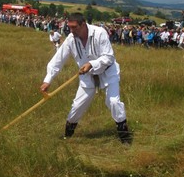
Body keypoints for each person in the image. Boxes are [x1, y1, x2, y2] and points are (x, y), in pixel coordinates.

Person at [40, 13, 131, 144]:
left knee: (113, 102)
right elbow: (57, 60)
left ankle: (125, 137)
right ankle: (67, 136)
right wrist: (47, 80)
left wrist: (91, 64)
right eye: (69, 27)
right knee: (77, 106)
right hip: (87, 77)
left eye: (74, 27)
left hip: (108, 72)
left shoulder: (99, 33)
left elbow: (109, 57)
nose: (71, 31)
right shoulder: (71, 39)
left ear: (83, 24)